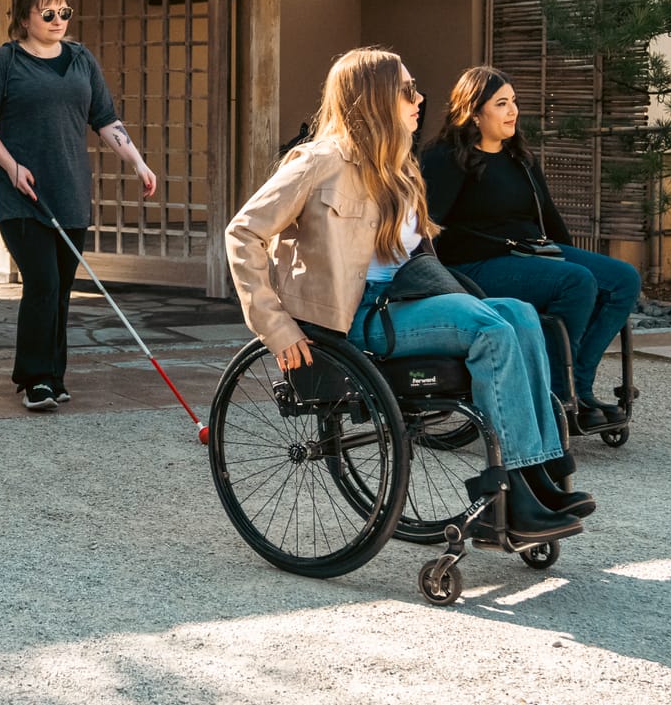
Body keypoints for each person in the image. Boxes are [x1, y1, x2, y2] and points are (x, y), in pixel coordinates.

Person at [225, 47, 590, 544]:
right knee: (492, 328)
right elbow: (243, 233)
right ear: (374, 99)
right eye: (407, 90)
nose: (419, 99)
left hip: (406, 297)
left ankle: (539, 476)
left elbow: (417, 256)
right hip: (353, 315)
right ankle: (509, 497)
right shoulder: (319, 161)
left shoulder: (400, 165)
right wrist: (275, 325)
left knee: (521, 316)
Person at [0, 0, 157, 411]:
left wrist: (137, 161)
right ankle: (34, 379)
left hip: (70, 189)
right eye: (47, 13)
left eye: (63, 12)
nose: (58, 20)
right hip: (23, 193)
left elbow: (105, 118)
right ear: (25, 17)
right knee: (42, 283)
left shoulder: (81, 59)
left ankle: (54, 375)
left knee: (61, 287)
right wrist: (11, 167)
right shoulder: (6, 62)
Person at [421, 66, 643, 432]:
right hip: (476, 265)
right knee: (576, 283)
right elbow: (429, 228)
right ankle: (558, 394)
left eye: (514, 102)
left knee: (622, 279)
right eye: (502, 103)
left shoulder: (518, 157)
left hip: (531, 252)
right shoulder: (447, 159)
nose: (513, 111)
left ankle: (579, 386)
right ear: (475, 112)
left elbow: (550, 219)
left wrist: (570, 257)